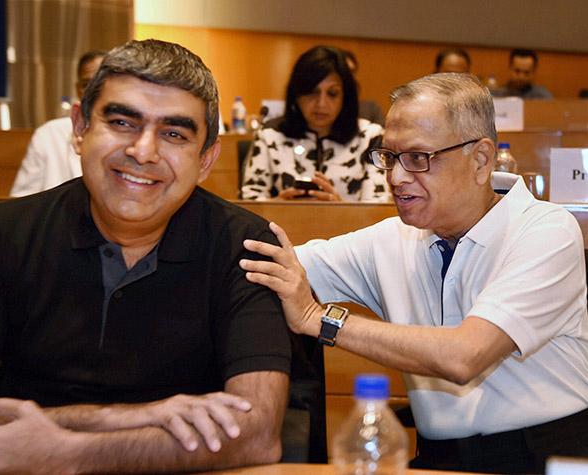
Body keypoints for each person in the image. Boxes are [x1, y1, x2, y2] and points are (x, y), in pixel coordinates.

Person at [0, 39, 292, 474]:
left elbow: (257, 433)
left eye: (174, 134)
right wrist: (119, 417)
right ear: (79, 129)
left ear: (206, 158)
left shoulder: (247, 247)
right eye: (122, 122)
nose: (143, 151)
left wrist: (66, 453)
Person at [240, 73, 588, 474]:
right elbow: (276, 266)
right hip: (438, 457)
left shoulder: (546, 231)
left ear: (481, 159)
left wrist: (320, 320)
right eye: (389, 157)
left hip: (544, 454)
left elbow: (465, 355)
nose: (396, 177)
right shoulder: (393, 239)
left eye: (418, 158)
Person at [241, 45, 389, 202]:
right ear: (296, 95)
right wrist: (277, 206)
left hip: (352, 227)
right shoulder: (270, 135)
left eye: (332, 94)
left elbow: (376, 211)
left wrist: (340, 210)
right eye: (312, 92)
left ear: (346, 97)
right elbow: (250, 204)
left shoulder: (369, 137)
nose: (321, 104)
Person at [9, 50, 106, 197]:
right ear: (78, 90)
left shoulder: (131, 140)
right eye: (86, 84)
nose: (93, 91)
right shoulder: (48, 134)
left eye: (101, 83)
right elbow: (21, 200)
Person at [341, 49, 385, 125]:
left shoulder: (371, 109)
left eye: (351, 72)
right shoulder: (321, 109)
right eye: (344, 70)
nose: (348, 76)